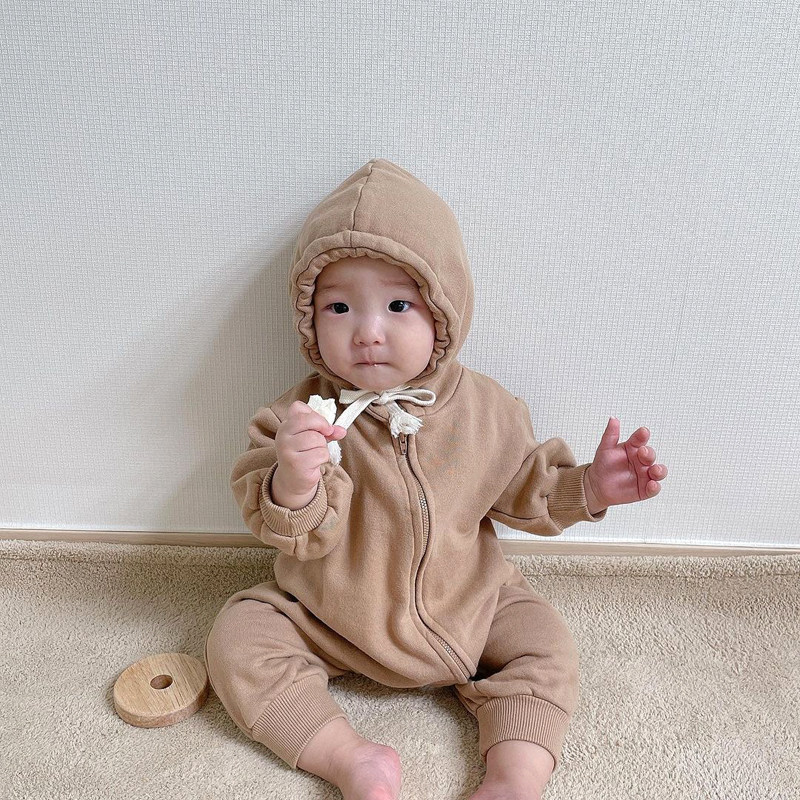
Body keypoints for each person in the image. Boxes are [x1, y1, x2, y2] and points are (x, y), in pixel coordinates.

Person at [205, 158, 667, 800]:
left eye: (398, 305)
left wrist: (591, 487)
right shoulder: (299, 419)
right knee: (238, 637)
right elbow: (290, 533)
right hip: (330, 615)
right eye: (339, 307)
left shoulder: (486, 409)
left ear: (445, 311)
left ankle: (513, 778)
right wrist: (294, 478)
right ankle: (351, 760)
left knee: (548, 647)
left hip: (470, 604)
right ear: (309, 318)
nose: (368, 333)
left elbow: (521, 488)